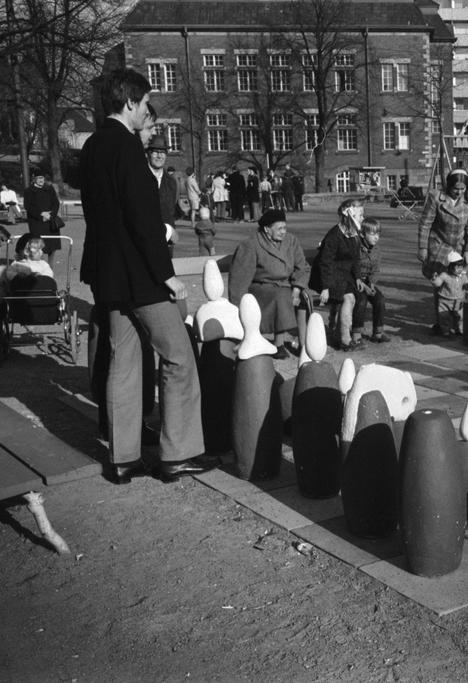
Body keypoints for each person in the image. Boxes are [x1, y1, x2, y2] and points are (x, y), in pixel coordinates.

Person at [79, 67, 212, 484]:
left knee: (123, 361)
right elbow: (143, 222)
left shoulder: (93, 147)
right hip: (140, 277)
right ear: (130, 102)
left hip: (108, 275)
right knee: (179, 357)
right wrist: (166, 274)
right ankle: (178, 454)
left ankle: (123, 459)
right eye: (143, 103)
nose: (145, 114)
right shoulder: (126, 149)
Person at [229, 208, 310, 359]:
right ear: (267, 229)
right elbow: (239, 278)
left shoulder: (291, 241)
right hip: (260, 287)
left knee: (304, 299)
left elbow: (303, 267)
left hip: (287, 285)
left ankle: (304, 345)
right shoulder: (251, 244)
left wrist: (297, 290)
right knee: (280, 297)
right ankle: (278, 345)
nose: (283, 232)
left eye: (285, 227)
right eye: (279, 228)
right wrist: (238, 305)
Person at [417, 169, 468, 333]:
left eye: (462, 189)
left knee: (460, 283)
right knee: (441, 284)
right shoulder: (436, 197)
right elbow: (425, 224)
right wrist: (423, 247)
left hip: (459, 247)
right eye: (455, 188)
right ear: (449, 186)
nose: (459, 192)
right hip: (439, 246)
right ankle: (441, 323)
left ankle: (457, 322)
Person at [315, 198, 364, 351]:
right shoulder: (335, 235)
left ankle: (339, 334)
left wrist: (357, 277)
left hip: (345, 275)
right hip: (329, 275)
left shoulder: (355, 235)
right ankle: (344, 336)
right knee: (348, 298)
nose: (362, 218)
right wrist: (325, 287)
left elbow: (356, 259)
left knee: (359, 297)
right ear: (350, 214)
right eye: (360, 215)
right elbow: (325, 261)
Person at [352, 217, 389, 344]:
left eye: (378, 233)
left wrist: (372, 284)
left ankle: (377, 332)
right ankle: (356, 333)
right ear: (362, 234)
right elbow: (353, 267)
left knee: (380, 300)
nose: (376, 237)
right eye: (372, 234)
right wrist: (362, 284)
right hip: (356, 281)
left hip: (368, 282)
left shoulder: (377, 250)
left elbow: (375, 269)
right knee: (361, 300)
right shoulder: (356, 247)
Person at [145, 135, 179, 257]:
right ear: (148, 153)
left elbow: (170, 211)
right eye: (155, 152)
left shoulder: (171, 182)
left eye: (163, 152)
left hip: (166, 241)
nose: (159, 156)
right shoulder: (139, 177)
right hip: (144, 241)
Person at [21, 173, 61, 262]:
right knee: (38, 246)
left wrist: (51, 215)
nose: (41, 180)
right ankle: (39, 265)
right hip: (37, 222)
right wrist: (41, 214)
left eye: (42, 178)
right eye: (38, 178)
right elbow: (28, 206)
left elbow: (56, 203)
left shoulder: (49, 189)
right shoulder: (29, 191)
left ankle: (50, 267)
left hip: (50, 221)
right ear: (34, 179)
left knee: (52, 245)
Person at [430, 251, 468, 336]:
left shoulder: (462, 276)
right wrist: (435, 279)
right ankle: (445, 331)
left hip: (458, 301)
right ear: (449, 267)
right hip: (445, 301)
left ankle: (460, 330)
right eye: (457, 267)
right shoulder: (444, 275)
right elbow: (437, 283)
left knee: (460, 317)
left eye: (461, 267)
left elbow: (466, 284)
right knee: (444, 316)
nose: (460, 269)